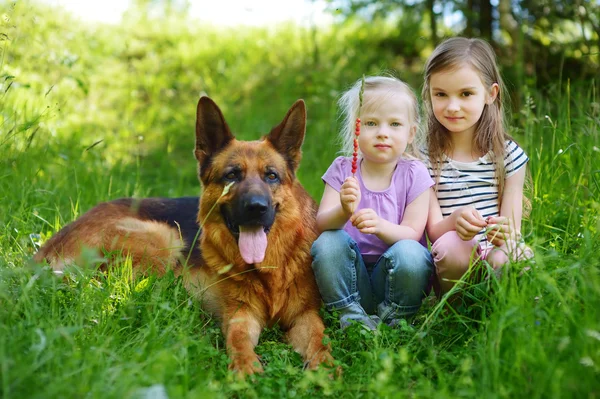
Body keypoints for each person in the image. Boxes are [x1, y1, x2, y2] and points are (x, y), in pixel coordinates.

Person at [311, 76, 434, 331]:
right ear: (356, 128)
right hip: (349, 275)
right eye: (371, 123)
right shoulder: (343, 170)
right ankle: (352, 316)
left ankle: (395, 318)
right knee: (328, 243)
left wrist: (379, 226)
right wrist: (344, 210)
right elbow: (322, 223)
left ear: (411, 133)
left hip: (394, 276)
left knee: (412, 253)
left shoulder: (415, 173)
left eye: (395, 124)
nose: (382, 132)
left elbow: (413, 233)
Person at [420, 37, 534, 296]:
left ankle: (507, 312)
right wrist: (456, 220)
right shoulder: (423, 159)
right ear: (429, 94)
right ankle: (456, 314)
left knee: (510, 254)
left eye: (466, 94)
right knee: (453, 246)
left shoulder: (508, 156)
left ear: (490, 94)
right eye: (440, 94)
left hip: (496, 254)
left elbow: (513, 230)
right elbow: (435, 231)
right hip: (453, 263)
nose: (452, 106)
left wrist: (502, 231)